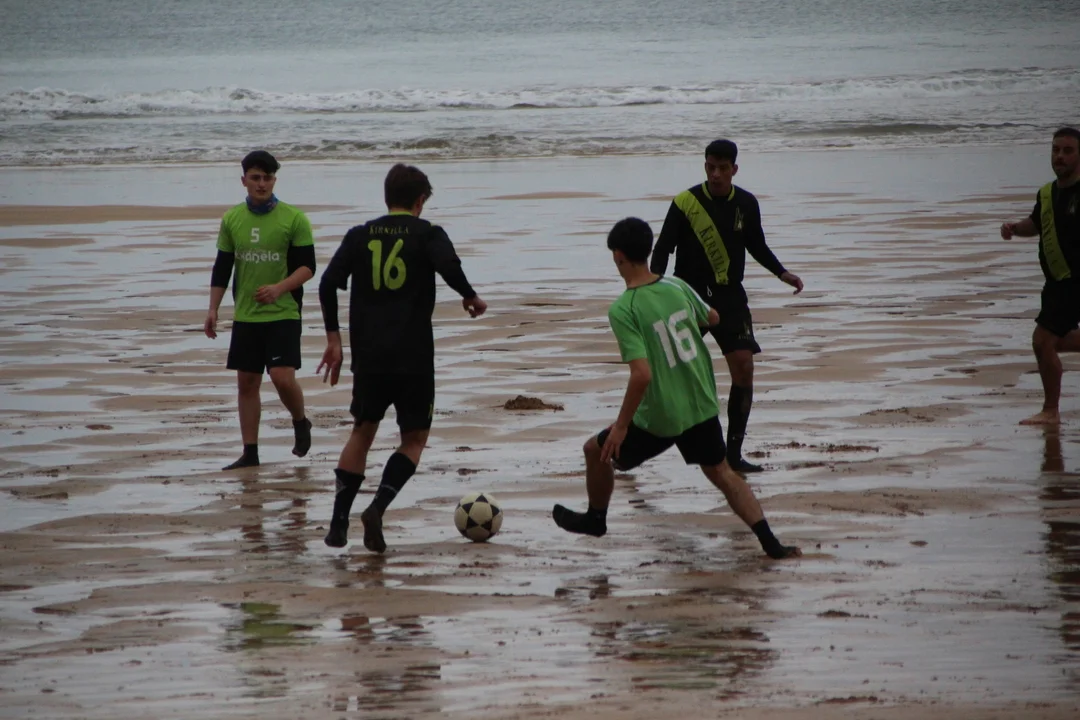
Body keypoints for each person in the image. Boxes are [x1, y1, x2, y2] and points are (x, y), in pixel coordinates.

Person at [553, 217, 800, 560]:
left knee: (595, 451)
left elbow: (641, 375)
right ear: (648, 250)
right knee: (722, 473)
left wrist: (621, 427)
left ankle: (596, 519)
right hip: (700, 403)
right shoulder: (676, 286)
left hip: (661, 416)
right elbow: (712, 318)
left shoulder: (623, 308)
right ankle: (772, 545)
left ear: (618, 256)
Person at [318, 163, 487, 553]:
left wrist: (334, 339)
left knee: (362, 431)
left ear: (386, 197)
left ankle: (338, 522)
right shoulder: (428, 233)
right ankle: (376, 508)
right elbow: (448, 266)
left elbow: (327, 284)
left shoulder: (359, 235)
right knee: (413, 439)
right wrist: (470, 295)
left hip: (369, 355)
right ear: (420, 201)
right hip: (413, 355)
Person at [650, 139, 803, 473]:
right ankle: (629, 442)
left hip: (730, 297)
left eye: (722, 168)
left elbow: (756, 245)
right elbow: (663, 248)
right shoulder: (685, 202)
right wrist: (652, 287)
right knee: (665, 373)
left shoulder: (746, 203)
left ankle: (733, 454)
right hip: (689, 297)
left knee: (744, 367)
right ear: (705, 166)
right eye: (710, 167)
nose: (716, 174)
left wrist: (782, 273)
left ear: (734, 169)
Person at [204, 150, 315, 470]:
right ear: (244, 181)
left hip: (284, 313)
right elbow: (222, 267)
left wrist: (279, 288)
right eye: (255, 178)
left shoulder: (294, 218)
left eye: (267, 178)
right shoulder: (232, 219)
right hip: (246, 315)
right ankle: (250, 453)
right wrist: (213, 308)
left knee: (281, 377)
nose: (262, 184)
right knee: (247, 383)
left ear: (274, 180)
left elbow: (308, 267)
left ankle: (300, 421)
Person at [1000, 127, 1080, 426]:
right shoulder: (1047, 193)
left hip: (1075, 281)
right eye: (1056, 149)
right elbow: (1035, 224)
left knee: (1042, 340)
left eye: (1068, 150)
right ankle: (1050, 411)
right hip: (1056, 282)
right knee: (1054, 341)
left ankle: (1050, 411)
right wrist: (1014, 229)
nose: (1060, 156)